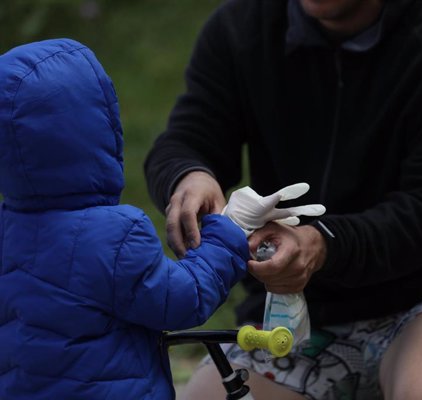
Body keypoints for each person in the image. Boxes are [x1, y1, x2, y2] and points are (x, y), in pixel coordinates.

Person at [144, 0, 422, 399]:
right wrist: (188, 176)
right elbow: (187, 138)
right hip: (296, 310)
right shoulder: (239, 27)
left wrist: (322, 245)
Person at [0, 38, 321, 400]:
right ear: (101, 129)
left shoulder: (8, 229)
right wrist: (227, 232)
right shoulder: (114, 236)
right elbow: (181, 299)